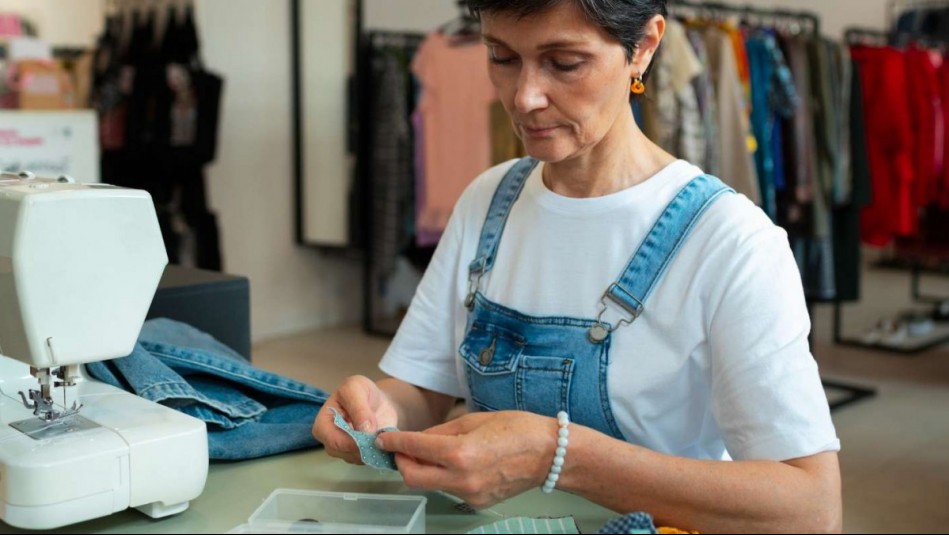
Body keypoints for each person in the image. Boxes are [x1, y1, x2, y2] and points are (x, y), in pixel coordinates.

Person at [312, 1, 842, 532]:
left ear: (644, 47)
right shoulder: (488, 201)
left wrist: (557, 455)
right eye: (501, 56)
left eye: (564, 63)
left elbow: (811, 509)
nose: (524, 97)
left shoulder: (729, 242)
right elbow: (424, 391)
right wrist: (379, 411)